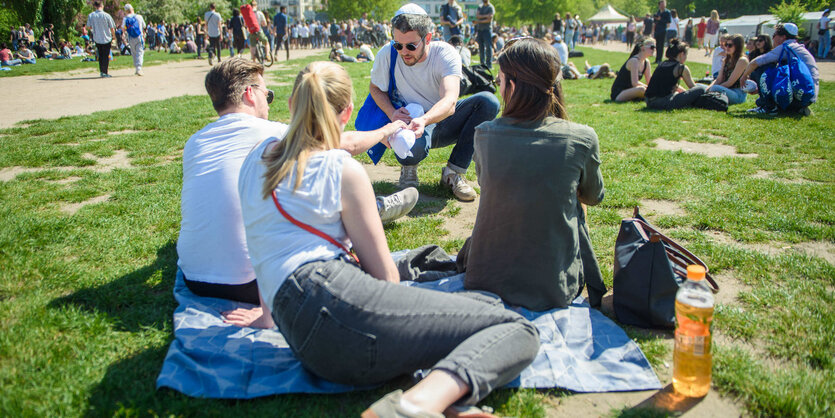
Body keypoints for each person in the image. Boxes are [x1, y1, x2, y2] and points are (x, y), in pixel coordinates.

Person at [232, 59, 539, 418]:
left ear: (290, 106)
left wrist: (265, 317)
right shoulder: (342, 170)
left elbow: (264, 243)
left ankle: (437, 397)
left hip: (302, 335)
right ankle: (416, 404)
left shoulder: (255, 157)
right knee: (514, 327)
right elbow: (386, 280)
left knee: (479, 307)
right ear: (347, 111)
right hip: (340, 315)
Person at [180, 58, 419, 325]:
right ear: (250, 94)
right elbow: (345, 143)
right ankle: (376, 208)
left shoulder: (194, 142)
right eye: (267, 95)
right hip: (263, 279)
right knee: (335, 198)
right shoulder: (273, 135)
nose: (269, 103)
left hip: (195, 278)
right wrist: (387, 130)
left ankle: (376, 208)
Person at [457, 37, 604, 311]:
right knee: (575, 202)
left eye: (499, 81)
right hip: (553, 289)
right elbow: (594, 196)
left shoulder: (484, 134)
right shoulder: (581, 138)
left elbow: (492, 185)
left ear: (511, 85)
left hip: (484, 278)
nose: (499, 87)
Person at [368, 4, 500, 201]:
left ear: (427, 38)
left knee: (488, 102)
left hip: (441, 118)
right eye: (398, 45)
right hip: (409, 123)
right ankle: (409, 169)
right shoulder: (387, 54)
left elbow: (450, 100)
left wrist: (425, 119)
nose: (404, 51)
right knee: (410, 147)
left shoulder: (445, 53)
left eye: (411, 45)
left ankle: (453, 172)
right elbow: (375, 88)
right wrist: (392, 113)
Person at [740, 23, 819, 115]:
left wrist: (744, 76)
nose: (773, 38)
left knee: (763, 68)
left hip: (799, 97)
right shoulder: (798, 48)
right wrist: (762, 88)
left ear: (783, 37)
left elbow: (755, 63)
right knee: (775, 70)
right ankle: (795, 108)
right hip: (806, 97)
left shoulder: (786, 47)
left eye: (774, 35)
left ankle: (770, 107)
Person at [645, 38, 707, 110]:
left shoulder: (662, 64)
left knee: (680, 94)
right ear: (681, 54)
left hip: (649, 101)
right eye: (686, 55)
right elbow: (692, 87)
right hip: (663, 102)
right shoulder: (681, 68)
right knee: (700, 89)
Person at [708, 34, 748, 105]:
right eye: (726, 44)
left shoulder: (742, 61)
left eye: (730, 45)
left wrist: (712, 89)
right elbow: (718, 79)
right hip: (726, 90)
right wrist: (708, 89)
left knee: (715, 88)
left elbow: (730, 82)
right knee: (700, 87)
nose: (727, 47)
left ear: (738, 46)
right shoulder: (726, 59)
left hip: (737, 94)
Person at [86, 1, 116, 78]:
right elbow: (112, 27)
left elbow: (89, 27)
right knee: (105, 56)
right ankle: (104, 71)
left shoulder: (91, 15)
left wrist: (95, 28)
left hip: (97, 37)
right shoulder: (106, 15)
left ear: (95, 6)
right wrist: (114, 36)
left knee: (100, 55)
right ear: (102, 5)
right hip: (106, 37)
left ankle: (102, 71)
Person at [122, 4, 145, 76]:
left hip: (130, 37)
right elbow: (144, 26)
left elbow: (123, 29)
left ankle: (136, 68)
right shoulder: (139, 17)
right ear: (132, 9)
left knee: (134, 52)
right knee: (140, 52)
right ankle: (139, 68)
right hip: (139, 36)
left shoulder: (125, 19)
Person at [474, 0, 495, 69]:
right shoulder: (480, 7)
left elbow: (489, 19)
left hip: (487, 30)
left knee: (488, 47)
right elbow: (477, 16)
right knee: (481, 47)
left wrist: (480, 20)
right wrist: (486, 16)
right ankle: (482, 64)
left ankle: (489, 64)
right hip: (480, 30)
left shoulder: (490, 7)